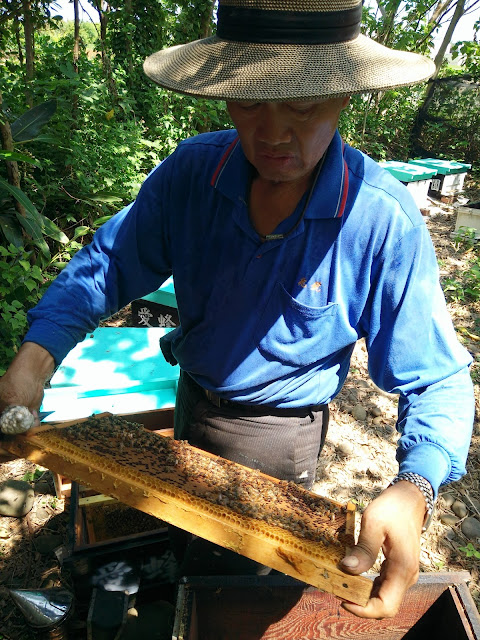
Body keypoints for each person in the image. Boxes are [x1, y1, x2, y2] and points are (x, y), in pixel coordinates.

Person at [0, 0, 474, 620]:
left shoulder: (381, 221)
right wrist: (34, 361)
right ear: (223, 96)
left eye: (302, 106)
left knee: (237, 590)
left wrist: (413, 490)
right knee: (190, 549)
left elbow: (438, 378)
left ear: (345, 98)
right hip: (193, 401)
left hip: (283, 434)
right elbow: (109, 263)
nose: (274, 133)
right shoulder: (193, 174)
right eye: (250, 102)